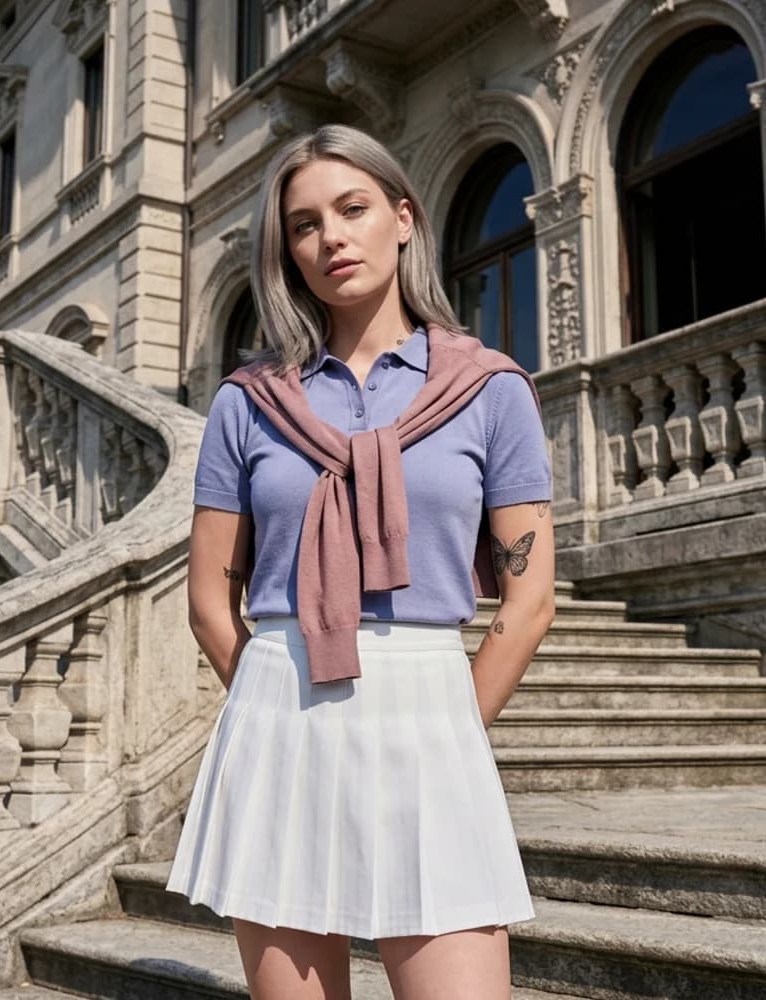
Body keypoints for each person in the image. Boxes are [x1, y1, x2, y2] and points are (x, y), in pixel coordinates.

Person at [165, 123, 556, 1000]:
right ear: (288, 252)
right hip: (279, 708)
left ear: (404, 217)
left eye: (352, 209)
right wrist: (278, 702)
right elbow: (207, 599)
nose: (330, 237)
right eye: (304, 225)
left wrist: (451, 723)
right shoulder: (248, 403)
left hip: (429, 708)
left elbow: (529, 603)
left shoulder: (490, 390)